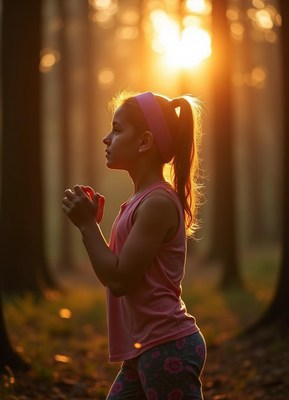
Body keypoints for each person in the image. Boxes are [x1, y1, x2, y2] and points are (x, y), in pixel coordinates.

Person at [62, 91, 206, 399]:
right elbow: (116, 270)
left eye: (116, 129)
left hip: (167, 347)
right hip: (144, 349)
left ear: (144, 142)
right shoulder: (139, 202)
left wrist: (87, 225)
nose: (106, 138)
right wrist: (92, 225)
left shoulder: (157, 203)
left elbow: (118, 279)